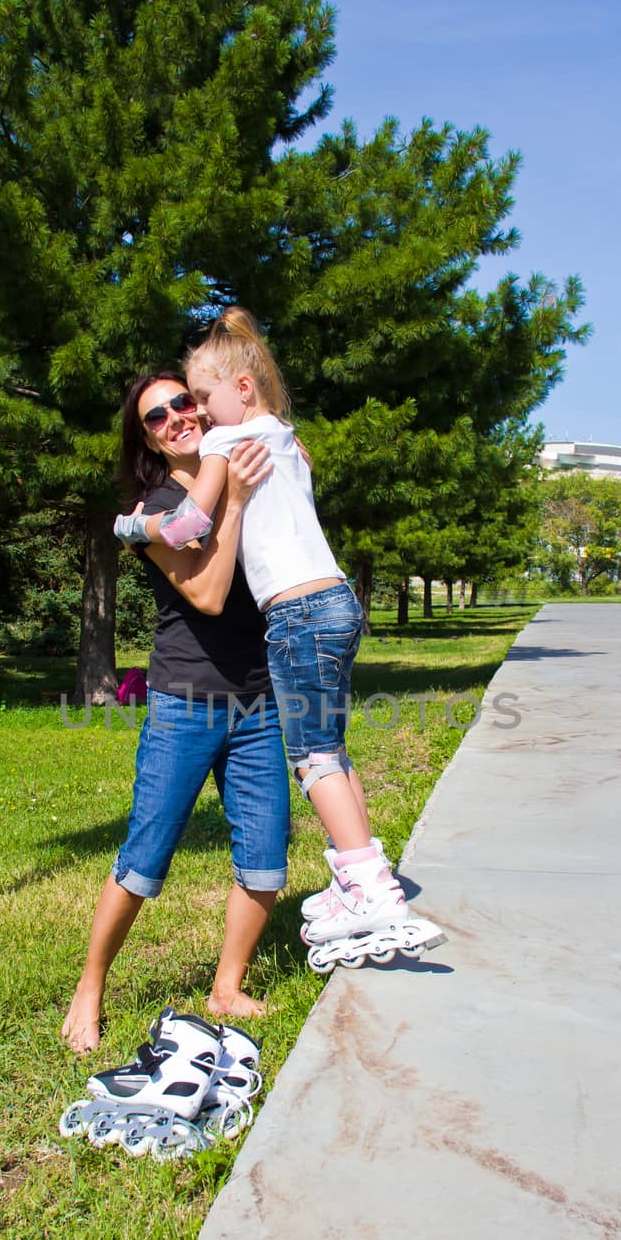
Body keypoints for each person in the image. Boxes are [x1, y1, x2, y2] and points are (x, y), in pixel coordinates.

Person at [113, 309, 414, 952]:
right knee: (331, 745)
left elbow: (191, 528)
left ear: (238, 390)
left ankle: (368, 886)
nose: (191, 413)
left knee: (313, 757)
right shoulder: (282, 435)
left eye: (195, 399)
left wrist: (130, 527)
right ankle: (367, 868)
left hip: (297, 613)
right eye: (163, 413)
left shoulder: (225, 445)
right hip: (337, 605)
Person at [61, 372, 289, 1055]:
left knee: (266, 856)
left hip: (258, 699)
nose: (173, 419)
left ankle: (226, 986)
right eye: (155, 417)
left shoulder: (245, 466)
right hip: (184, 703)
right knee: (145, 855)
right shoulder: (155, 510)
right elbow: (211, 594)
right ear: (148, 438)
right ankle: (90, 987)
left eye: (181, 403)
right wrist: (239, 504)